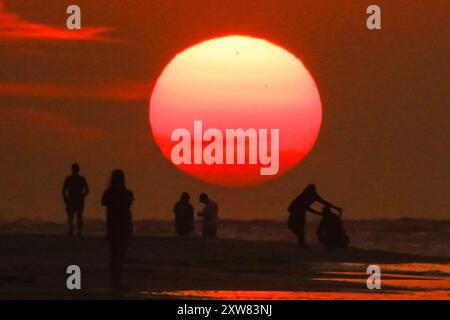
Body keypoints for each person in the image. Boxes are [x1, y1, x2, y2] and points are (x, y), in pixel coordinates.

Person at [101, 169, 133, 289]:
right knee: (120, 254)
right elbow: (128, 205)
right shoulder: (127, 193)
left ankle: (114, 279)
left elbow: (103, 202)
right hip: (123, 226)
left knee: (114, 254)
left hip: (113, 226)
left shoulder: (109, 192)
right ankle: (117, 279)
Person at [288, 184, 342, 248]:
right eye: (310, 191)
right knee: (292, 226)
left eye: (312, 191)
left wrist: (336, 208)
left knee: (300, 229)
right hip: (295, 212)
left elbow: (324, 202)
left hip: (301, 214)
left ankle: (302, 244)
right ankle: (301, 242)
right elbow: (308, 208)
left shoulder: (314, 195)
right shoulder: (303, 196)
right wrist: (319, 213)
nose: (311, 192)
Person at [62, 163, 89, 237]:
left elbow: (64, 190)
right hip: (78, 200)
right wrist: (83, 196)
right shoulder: (81, 179)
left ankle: (72, 230)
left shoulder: (69, 179)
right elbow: (87, 190)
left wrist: (65, 198)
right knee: (79, 216)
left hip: (71, 199)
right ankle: (78, 232)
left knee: (71, 216)